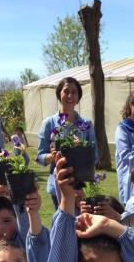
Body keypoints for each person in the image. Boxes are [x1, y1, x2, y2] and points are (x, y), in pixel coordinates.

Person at [37, 77, 98, 210]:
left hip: (81, 185)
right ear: (59, 94)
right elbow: (40, 157)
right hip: (58, 185)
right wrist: (52, 157)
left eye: (74, 92)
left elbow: (95, 155)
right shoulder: (49, 123)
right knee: (63, 224)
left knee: (82, 226)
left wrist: (83, 149)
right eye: (66, 91)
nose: (70, 95)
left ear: (78, 96)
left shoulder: (86, 124)